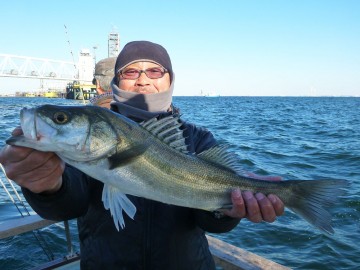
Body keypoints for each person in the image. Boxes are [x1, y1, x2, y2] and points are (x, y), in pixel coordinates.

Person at [0, 41, 284, 269]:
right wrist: (46, 186)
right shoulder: (78, 150)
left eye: (155, 71)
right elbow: (67, 204)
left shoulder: (198, 138)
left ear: (170, 80)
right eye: (131, 72)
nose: (143, 80)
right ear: (117, 81)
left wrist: (228, 211)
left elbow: (208, 221)